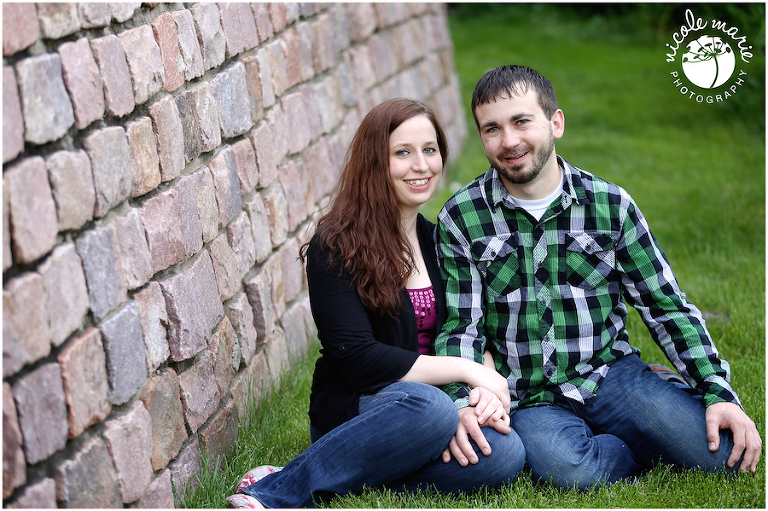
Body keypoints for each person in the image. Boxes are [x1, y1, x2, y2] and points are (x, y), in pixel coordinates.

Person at [434, 65, 761, 490]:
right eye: (491, 129)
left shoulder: (610, 205)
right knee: (569, 471)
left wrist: (719, 392)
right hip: (529, 395)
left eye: (521, 122)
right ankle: (632, 444)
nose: (509, 141)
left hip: (610, 376)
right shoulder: (461, 217)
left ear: (556, 122)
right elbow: (462, 326)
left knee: (725, 461)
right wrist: (462, 402)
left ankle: (660, 390)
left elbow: (665, 306)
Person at [226, 98, 526, 509]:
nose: (421, 165)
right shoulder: (335, 246)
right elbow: (358, 361)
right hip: (359, 410)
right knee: (428, 408)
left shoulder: (441, 241)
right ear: (374, 162)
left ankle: (320, 474)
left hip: (434, 407)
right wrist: (465, 374)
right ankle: (276, 494)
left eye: (429, 150)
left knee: (505, 454)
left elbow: (474, 327)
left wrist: (476, 399)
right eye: (402, 152)